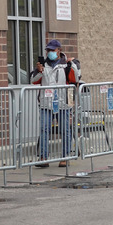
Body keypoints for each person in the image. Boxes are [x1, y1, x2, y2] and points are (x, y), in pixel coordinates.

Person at [31, 39, 75, 168]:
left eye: (52, 50)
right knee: (44, 129)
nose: (50, 52)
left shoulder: (66, 65)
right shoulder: (42, 65)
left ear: (59, 51)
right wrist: (39, 71)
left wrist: (72, 64)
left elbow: (75, 78)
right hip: (46, 102)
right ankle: (43, 157)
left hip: (63, 102)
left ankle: (65, 157)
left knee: (65, 130)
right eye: (48, 50)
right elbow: (33, 81)